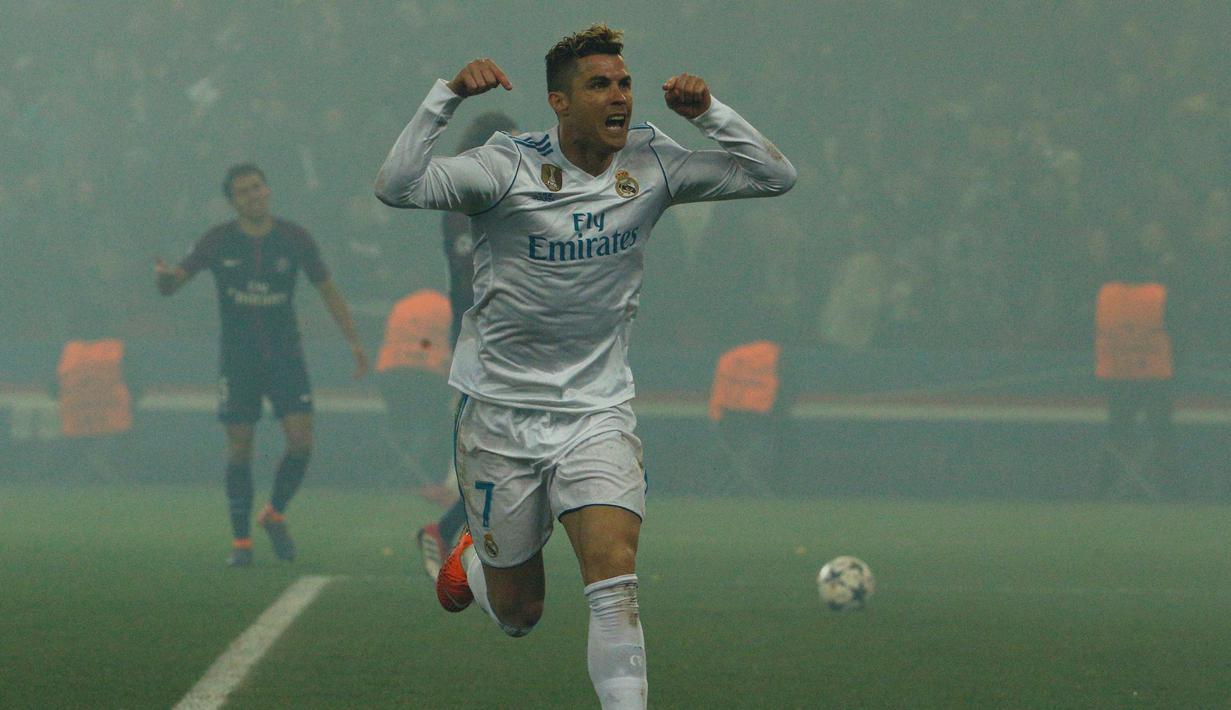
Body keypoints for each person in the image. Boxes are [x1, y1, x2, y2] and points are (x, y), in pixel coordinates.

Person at [375, 24, 795, 709]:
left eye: (624, 83)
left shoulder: (652, 162)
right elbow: (396, 186)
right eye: (599, 85)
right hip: (499, 416)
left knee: (614, 583)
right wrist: (445, 97)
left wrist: (710, 114)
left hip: (597, 413)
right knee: (520, 613)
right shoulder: (506, 166)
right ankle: (477, 565)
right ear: (560, 102)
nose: (619, 96)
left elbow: (775, 176)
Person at [156, 163, 368, 567]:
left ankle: (273, 512)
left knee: (301, 441)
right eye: (243, 192)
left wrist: (355, 342)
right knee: (240, 447)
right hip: (238, 358)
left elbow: (328, 290)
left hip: (285, 354)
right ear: (232, 202)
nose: (253, 196)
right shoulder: (217, 241)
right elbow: (174, 282)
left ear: (268, 190)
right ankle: (241, 542)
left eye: (257, 187)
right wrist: (164, 278)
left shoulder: (294, 238)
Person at [414, 112, 519, 581]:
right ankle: (456, 532)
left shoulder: (501, 200)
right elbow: (470, 275)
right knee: (503, 447)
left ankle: (462, 533)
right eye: (508, 146)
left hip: (511, 340)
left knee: (511, 448)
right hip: (486, 341)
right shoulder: (464, 204)